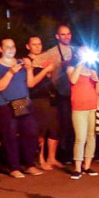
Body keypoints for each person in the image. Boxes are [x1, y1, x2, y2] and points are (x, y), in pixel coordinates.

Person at [0, 37, 47, 178]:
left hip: (22, 101)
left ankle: (29, 164)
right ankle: (14, 167)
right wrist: (10, 73)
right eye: (7, 47)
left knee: (30, 132)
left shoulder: (21, 63)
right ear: (0, 49)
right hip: (4, 103)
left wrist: (29, 70)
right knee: (10, 135)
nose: (11, 49)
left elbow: (30, 84)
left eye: (13, 46)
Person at [34, 24, 76, 161]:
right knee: (61, 124)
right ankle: (61, 154)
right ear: (57, 36)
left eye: (68, 33)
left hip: (75, 93)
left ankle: (72, 154)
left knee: (73, 124)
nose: (66, 36)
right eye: (63, 34)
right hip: (60, 93)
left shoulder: (75, 50)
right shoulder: (52, 52)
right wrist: (47, 71)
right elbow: (35, 62)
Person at [25, 35, 60, 170]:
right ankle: (39, 159)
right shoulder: (28, 61)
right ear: (28, 46)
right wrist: (45, 70)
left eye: (39, 44)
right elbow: (31, 83)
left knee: (53, 128)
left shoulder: (45, 59)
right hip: (36, 99)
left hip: (49, 98)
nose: (38, 47)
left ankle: (51, 158)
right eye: (34, 44)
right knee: (40, 131)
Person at [66, 51, 99, 179]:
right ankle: (77, 168)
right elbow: (73, 80)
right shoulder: (71, 68)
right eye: (81, 53)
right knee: (80, 138)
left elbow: (98, 91)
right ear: (76, 55)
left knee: (91, 137)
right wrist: (80, 64)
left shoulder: (92, 70)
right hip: (79, 108)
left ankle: (87, 166)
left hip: (92, 107)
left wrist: (98, 81)